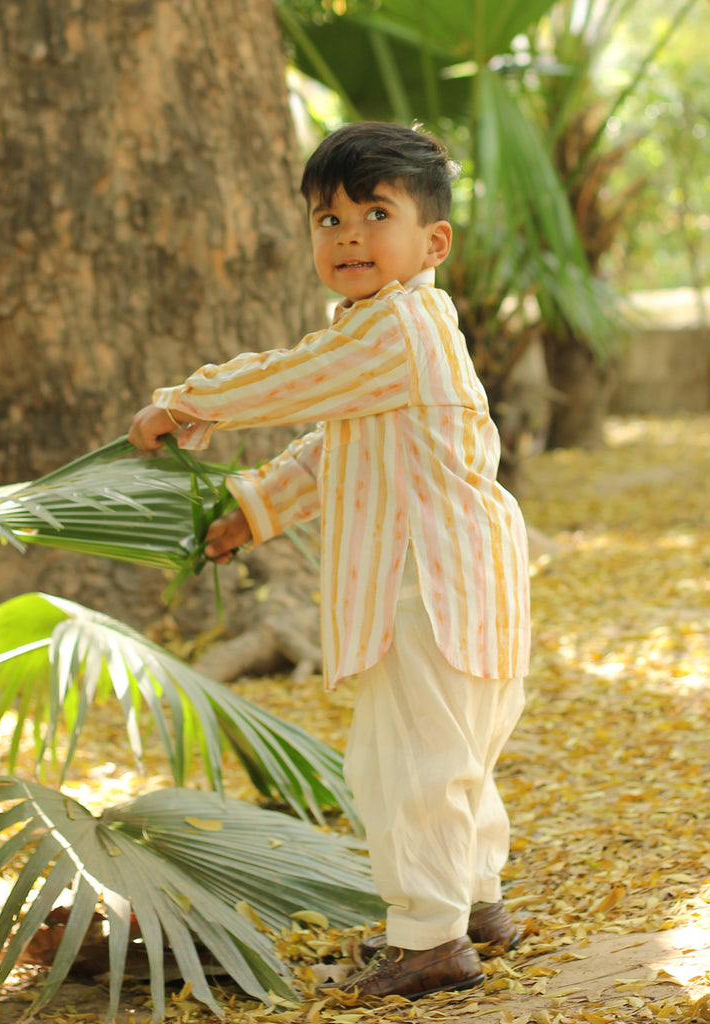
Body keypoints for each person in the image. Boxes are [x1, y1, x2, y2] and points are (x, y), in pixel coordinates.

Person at [128, 121, 530, 1003]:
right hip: (465, 576)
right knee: (453, 752)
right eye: (328, 219)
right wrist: (252, 511)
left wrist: (184, 404)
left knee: (405, 763)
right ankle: (475, 901)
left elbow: (288, 381)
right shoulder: (389, 332)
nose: (348, 235)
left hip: (429, 581)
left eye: (373, 213)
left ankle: (430, 943)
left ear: (432, 241)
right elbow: (331, 450)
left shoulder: (396, 329)